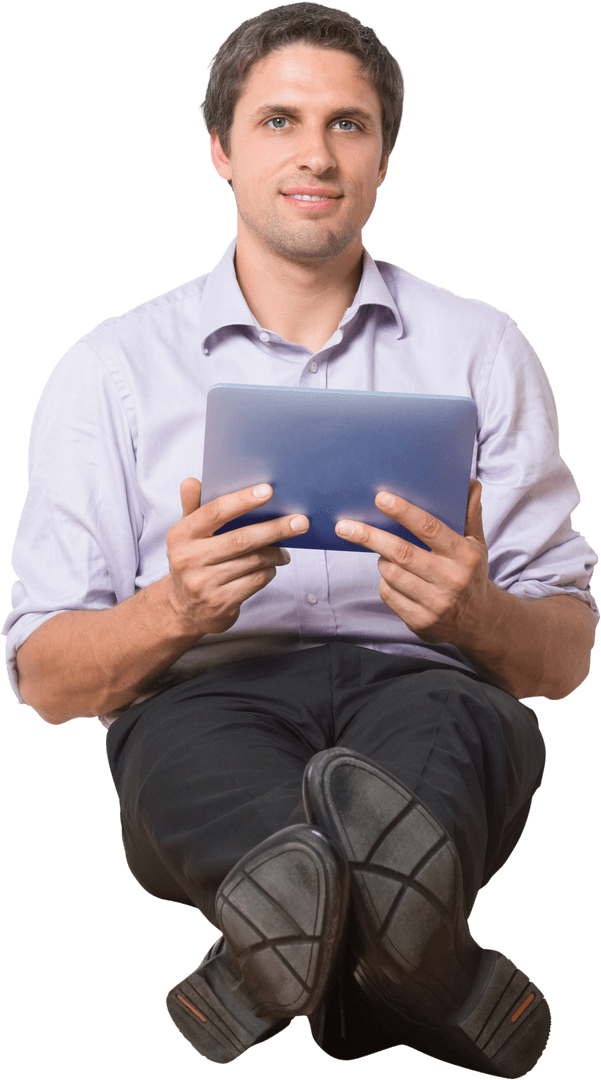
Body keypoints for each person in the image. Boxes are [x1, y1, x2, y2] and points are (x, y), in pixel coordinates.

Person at [3, 3, 597, 1075]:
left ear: (382, 156)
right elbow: (45, 678)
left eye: (348, 125)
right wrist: (175, 608)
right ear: (222, 149)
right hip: (204, 693)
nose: (314, 154)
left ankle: (271, 954)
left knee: (428, 761)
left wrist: (476, 615)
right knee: (203, 764)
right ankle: (417, 972)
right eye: (278, 121)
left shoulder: (482, 346)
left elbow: (562, 657)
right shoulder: (112, 367)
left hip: (431, 688)